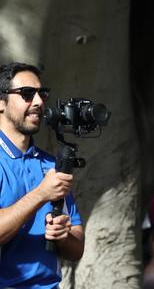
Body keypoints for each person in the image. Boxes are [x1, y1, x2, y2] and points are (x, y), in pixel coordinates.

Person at [0, 62, 84, 288]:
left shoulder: (51, 165)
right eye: (27, 93)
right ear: (1, 102)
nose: (38, 102)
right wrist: (41, 194)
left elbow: (77, 249)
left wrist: (62, 235)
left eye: (42, 93)